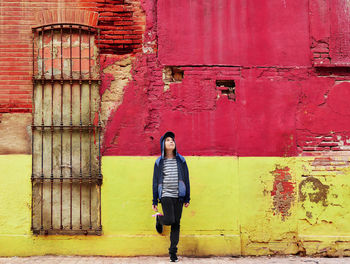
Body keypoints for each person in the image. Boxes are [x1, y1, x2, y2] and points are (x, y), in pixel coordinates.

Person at [152, 131, 190, 262]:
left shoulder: (181, 160)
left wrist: (187, 197)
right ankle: (159, 219)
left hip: (179, 195)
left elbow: (186, 179)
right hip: (166, 194)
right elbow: (155, 181)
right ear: (163, 144)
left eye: (172, 139)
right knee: (170, 219)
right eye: (168, 140)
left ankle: (173, 253)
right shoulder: (159, 162)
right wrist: (155, 199)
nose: (171, 141)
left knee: (176, 223)